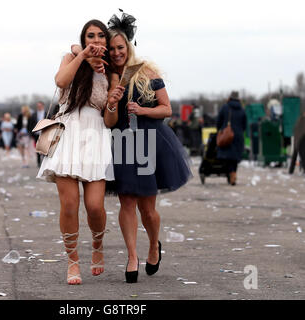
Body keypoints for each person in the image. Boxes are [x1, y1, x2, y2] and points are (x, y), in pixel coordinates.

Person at [77, 11, 192, 283]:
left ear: (129, 46)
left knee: (147, 209)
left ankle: (153, 245)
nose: (116, 53)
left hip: (149, 143)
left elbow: (167, 109)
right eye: (113, 48)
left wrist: (142, 109)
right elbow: (75, 50)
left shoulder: (146, 72)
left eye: (121, 47)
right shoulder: (104, 74)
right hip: (121, 143)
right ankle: (131, 257)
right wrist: (113, 102)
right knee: (126, 201)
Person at [37, 19, 115, 285]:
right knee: (69, 204)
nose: (95, 39)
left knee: (94, 206)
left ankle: (97, 244)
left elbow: (109, 118)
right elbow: (60, 80)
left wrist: (114, 103)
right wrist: (81, 55)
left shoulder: (112, 70)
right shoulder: (71, 57)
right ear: (83, 40)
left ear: (107, 40)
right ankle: (72, 262)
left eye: (100, 36)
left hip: (96, 136)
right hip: (68, 134)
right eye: (90, 36)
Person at [216, 91, 247, 185]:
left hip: (227, 136)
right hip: (238, 136)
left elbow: (218, 121)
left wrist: (220, 130)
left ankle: (231, 174)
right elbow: (244, 125)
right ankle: (233, 174)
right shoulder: (242, 109)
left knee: (228, 157)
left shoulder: (225, 107)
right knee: (235, 158)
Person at [33, 101, 47, 167]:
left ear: (43, 106)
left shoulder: (47, 113)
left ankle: (45, 162)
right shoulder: (34, 114)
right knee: (37, 148)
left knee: (44, 148)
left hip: (44, 133)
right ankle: (38, 162)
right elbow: (31, 124)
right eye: (38, 106)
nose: (39, 107)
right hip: (36, 133)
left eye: (40, 106)